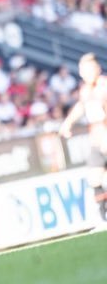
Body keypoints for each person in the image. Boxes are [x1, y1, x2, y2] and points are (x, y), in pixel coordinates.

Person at [59, 53, 107, 225]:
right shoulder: (86, 89)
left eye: (87, 69)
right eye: (81, 70)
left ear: (97, 69)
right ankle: (103, 220)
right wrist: (68, 123)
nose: (84, 73)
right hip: (96, 139)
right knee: (94, 178)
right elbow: (81, 106)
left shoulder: (104, 85)